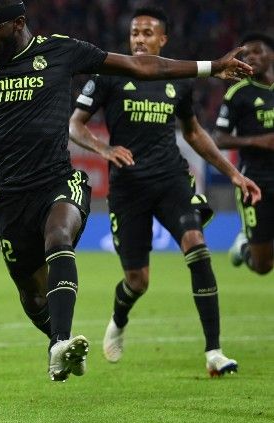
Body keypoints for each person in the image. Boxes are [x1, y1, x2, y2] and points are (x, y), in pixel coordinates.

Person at [0, 0, 253, 382]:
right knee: (31, 292)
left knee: (59, 236)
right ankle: (56, 338)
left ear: (19, 24)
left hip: (59, 179)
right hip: (11, 194)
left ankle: (61, 344)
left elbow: (141, 67)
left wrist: (210, 66)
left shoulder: (61, 51)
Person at [68, 7, 260, 377]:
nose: (139, 39)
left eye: (147, 33)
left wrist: (234, 173)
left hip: (171, 179)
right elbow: (75, 125)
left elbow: (194, 133)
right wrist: (103, 149)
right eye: (134, 33)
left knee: (197, 247)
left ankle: (215, 352)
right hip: (128, 188)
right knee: (137, 281)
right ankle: (119, 319)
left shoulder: (178, 79)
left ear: (163, 39)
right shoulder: (110, 74)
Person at [214, 33, 274, 276]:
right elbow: (219, 138)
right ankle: (243, 246)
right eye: (247, 53)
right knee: (263, 266)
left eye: (257, 51)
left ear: (271, 55)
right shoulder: (238, 94)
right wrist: (258, 141)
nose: (251, 57)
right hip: (256, 182)